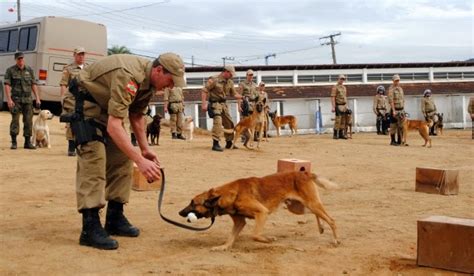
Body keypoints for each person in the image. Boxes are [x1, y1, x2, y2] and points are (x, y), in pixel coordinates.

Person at [62, 53, 185, 250]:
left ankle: (114, 217)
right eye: (170, 80)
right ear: (159, 70)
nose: (170, 86)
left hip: (106, 106)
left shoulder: (150, 82)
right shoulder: (128, 75)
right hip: (84, 103)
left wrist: (145, 150)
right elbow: (114, 125)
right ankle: (90, 227)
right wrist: (140, 161)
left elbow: (136, 115)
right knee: (94, 157)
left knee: (122, 157)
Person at [4, 52, 41, 150]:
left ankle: (27, 142)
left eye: (22, 59)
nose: (21, 60)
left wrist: (37, 98)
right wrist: (9, 99)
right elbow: (7, 85)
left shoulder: (29, 70)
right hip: (16, 100)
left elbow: (33, 84)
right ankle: (14, 142)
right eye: (19, 59)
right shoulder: (10, 70)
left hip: (28, 100)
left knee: (28, 121)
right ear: (16, 60)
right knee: (15, 120)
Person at [201, 65, 243, 151]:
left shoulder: (230, 82)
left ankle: (229, 143)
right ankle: (215, 144)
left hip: (224, 105)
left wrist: (242, 97)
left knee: (229, 123)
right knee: (218, 122)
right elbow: (204, 91)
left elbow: (234, 94)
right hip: (215, 104)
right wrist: (204, 104)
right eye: (231, 74)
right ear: (226, 72)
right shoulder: (214, 79)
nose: (232, 77)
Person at [60, 47, 87, 156]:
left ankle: (81, 145)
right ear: (74, 55)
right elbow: (63, 84)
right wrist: (63, 98)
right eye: (79, 54)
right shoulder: (68, 69)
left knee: (84, 121)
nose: (81, 56)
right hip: (72, 99)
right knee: (71, 122)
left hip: (85, 99)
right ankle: (71, 147)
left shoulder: (88, 68)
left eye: (83, 55)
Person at [387, 74, 405, 146]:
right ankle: (393, 141)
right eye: (396, 80)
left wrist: (403, 109)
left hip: (401, 109)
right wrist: (393, 110)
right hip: (395, 109)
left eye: (398, 80)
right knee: (393, 126)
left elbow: (403, 99)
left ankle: (400, 141)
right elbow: (391, 101)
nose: (397, 82)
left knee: (401, 126)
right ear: (393, 81)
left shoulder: (400, 89)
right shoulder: (391, 89)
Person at [331, 74, 348, 139]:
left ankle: (341, 134)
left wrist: (346, 105)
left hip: (344, 105)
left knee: (343, 120)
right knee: (338, 120)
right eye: (341, 79)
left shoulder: (344, 88)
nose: (342, 80)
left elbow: (345, 97)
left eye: (343, 79)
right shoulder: (335, 87)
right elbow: (333, 97)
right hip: (338, 105)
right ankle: (335, 134)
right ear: (338, 79)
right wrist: (333, 107)